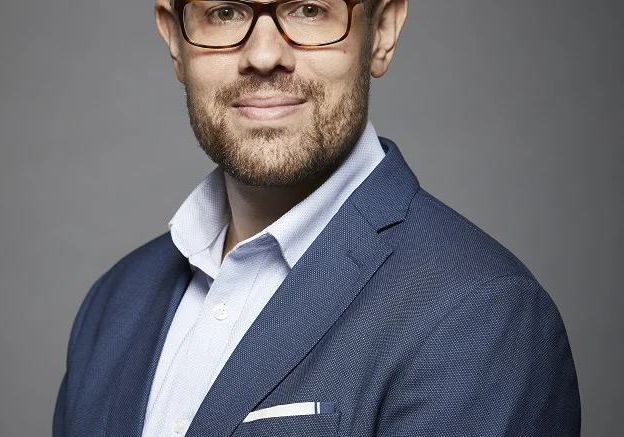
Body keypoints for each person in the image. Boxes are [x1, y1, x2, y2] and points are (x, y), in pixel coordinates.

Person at [53, 0, 581, 435]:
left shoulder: (482, 316)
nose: (263, 55)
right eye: (224, 12)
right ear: (175, 38)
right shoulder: (114, 303)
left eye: (308, 9)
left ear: (383, 31)